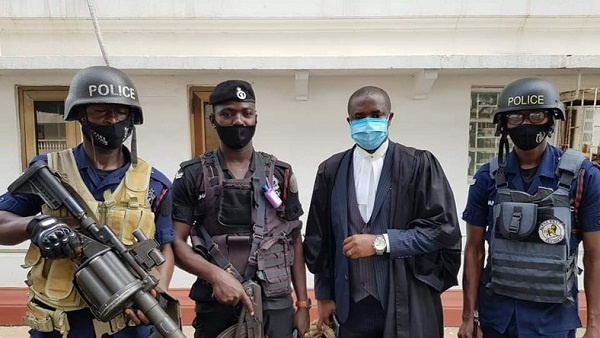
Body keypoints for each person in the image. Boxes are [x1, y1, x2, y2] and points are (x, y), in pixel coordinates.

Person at [0, 65, 175, 337]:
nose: (112, 119)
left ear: (132, 117)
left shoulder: (155, 183)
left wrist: (156, 294)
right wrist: (34, 226)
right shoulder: (50, 170)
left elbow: (166, 247)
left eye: (120, 111)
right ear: (81, 116)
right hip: (60, 326)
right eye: (100, 111)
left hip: (127, 325)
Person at [303, 86, 462, 338]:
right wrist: (323, 295)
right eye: (359, 117)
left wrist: (382, 243)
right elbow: (318, 239)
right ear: (349, 121)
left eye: (376, 115)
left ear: (389, 118)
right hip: (351, 306)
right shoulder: (331, 171)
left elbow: (444, 229)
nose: (368, 123)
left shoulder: (419, 165)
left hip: (406, 302)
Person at [458, 77, 600, 338]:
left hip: (552, 320)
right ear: (504, 125)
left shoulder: (584, 176)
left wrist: (594, 325)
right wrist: (469, 316)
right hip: (497, 317)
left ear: (550, 119)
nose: (525, 124)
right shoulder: (486, 177)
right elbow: (474, 249)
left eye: (535, 115)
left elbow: (594, 255)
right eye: (515, 117)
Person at [171, 80, 310, 338]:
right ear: (213, 119)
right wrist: (215, 276)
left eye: (246, 113)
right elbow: (175, 242)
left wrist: (302, 304)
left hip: (275, 302)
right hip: (217, 300)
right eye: (228, 113)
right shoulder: (192, 174)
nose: (238, 121)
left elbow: (294, 239)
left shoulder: (281, 173)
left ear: (256, 117)